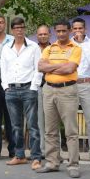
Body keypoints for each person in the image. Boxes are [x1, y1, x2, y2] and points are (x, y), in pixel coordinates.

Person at [36, 19, 82, 178]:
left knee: (70, 131)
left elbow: (70, 68)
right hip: (48, 90)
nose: (61, 34)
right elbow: (40, 67)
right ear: (55, 32)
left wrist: (51, 67)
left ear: (70, 31)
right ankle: (52, 162)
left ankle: (73, 164)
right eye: (58, 31)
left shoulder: (76, 48)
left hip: (67, 91)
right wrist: (60, 66)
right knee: (50, 130)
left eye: (64, 31)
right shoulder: (49, 48)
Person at [1, 17, 43, 169]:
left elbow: (38, 69)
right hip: (11, 90)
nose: (19, 30)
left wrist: (33, 87)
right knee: (15, 126)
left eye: (22, 27)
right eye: (16, 28)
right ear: (12, 30)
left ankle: (36, 157)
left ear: (25, 29)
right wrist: (5, 87)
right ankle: (19, 155)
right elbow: (3, 69)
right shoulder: (6, 48)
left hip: (28, 89)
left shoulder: (33, 47)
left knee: (32, 125)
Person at [71, 18, 90, 165]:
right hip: (71, 84)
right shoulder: (68, 43)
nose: (78, 32)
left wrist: (81, 44)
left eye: (80, 29)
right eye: (75, 29)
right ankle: (73, 154)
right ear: (72, 30)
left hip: (86, 84)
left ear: (85, 29)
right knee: (71, 121)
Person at [0, 15, 15, 158]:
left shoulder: (13, 40)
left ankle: (13, 150)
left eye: (1, 22)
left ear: (5, 24)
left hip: (10, 83)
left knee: (11, 118)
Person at [36, 24, 51, 156]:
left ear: (49, 35)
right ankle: (41, 150)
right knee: (40, 121)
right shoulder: (32, 48)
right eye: (40, 34)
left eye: (45, 34)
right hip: (36, 87)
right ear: (37, 35)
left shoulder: (55, 48)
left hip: (52, 87)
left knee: (52, 121)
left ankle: (54, 152)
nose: (42, 36)